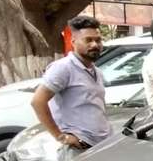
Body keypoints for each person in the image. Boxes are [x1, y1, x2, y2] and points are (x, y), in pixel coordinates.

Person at [31, 16, 113, 154]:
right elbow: (37, 101)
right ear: (73, 41)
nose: (94, 44)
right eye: (88, 40)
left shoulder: (95, 71)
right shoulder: (63, 68)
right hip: (79, 148)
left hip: (101, 145)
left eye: (98, 40)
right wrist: (61, 137)